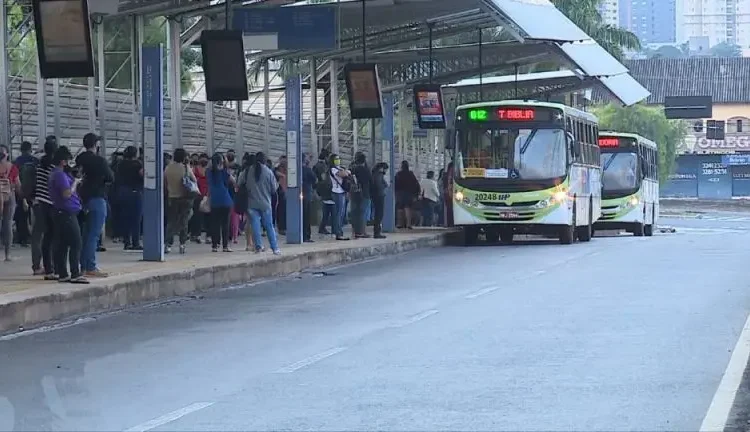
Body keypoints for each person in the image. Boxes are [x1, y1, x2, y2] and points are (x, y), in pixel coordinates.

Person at [75, 133, 113, 278]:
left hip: (82, 199)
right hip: (97, 197)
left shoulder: (79, 159)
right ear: (95, 145)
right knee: (93, 234)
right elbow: (111, 177)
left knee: (86, 234)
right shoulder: (99, 161)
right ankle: (90, 266)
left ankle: (83, 265)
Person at [48, 146, 88, 284]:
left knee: (63, 244)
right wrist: (75, 183)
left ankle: (63, 273)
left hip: (62, 212)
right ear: (63, 161)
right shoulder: (59, 175)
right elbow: (66, 194)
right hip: (66, 212)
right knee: (76, 242)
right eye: (68, 161)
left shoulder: (56, 173)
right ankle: (75, 273)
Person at [31, 136, 58, 278]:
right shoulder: (54, 167)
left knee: (37, 235)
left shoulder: (39, 165)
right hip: (51, 203)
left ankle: (36, 266)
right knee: (50, 236)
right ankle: (51, 265)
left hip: (38, 202)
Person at [244, 152, 280, 255]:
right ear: (265, 160)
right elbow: (274, 189)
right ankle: (275, 248)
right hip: (265, 203)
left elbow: (240, 183)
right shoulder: (268, 172)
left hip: (251, 203)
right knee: (269, 225)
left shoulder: (248, 170)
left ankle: (258, 247)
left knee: (255, 224)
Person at [164, 148, 196, 254]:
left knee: (171, 221)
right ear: (183, 157)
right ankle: (182, 245)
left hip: (172, 198)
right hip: (185, 198)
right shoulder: (186, 168)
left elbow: (165, 183)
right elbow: (194, 181)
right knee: (184, 221)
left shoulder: (168, 168)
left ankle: (168, 244)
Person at [116, 145, 144, 250]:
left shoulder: (120, 164)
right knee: (136, 218)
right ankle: (136, 242)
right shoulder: (137, 164)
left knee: (125, 217)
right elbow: (142, 175)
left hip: (122, 191)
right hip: (135, 192)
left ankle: (126, 242)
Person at [207, 152, 235, 252]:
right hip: (225, 200)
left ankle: (214, 246)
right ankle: (225, 246)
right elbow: (233, 181)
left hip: (214, 201)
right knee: (225, 224)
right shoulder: (225, 172)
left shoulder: (209, 172)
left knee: (215, 223)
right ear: (221, 162)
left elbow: (209, 186)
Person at [0, 144, 20, 261]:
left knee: (6, 224)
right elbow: (18, 185)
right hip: (9, 196)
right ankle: (8, 255)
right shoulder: (13, 167)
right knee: (7, 224)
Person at [14, 140, 36, 246]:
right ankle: (34, 237)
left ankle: (22, 238)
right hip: (33, 192)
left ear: (21, 150)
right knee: (34, 215)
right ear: (30, 149)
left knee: (21, 216)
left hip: (21, 191)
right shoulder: (35, 160)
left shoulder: (17, 161)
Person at [328, 153, 351, 241]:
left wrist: (346, 171)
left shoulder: (339, 168)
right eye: (336, 159)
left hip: (342, 192)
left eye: (339, 158)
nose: (338, 160)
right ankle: (338, 233)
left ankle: (336, 231)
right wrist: (347, 172)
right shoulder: (333, 169)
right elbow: (343, 174)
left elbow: (346, 172)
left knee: (340, 213)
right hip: (337, 192)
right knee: (339, 213)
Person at [350, 151, 372, 238]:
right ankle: (362, 232)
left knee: (354, 212)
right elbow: (370, 181)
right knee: (363, 213)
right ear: (364, 161)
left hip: (354, 193)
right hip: (365, 193)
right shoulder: (366, 170)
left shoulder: (352, 169)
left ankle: (354, 232)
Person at [395, 160, 420, 229]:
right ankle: (408, 224)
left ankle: (400, 224)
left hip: (400, 193)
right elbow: (416, 184)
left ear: (401, 166)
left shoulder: (399, 174)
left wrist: (395, 192)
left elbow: (395, 184)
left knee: (400, 209)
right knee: (407, 208)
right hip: (409, 194)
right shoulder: (411, 174)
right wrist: (416, 194)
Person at [301, 153, 317, 243]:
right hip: (306, 194)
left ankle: (300, 234)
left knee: (301, 216)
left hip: (297, 195)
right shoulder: (307, 169)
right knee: (306, 216)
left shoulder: (296, 169)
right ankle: (306, 236)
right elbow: (315, 179)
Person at [371, 162, 388, 239]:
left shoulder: (374, 173)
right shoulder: (379, 174)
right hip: (379, 196)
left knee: (377, 214)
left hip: (375, 196)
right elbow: (380, 185)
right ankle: (377, 232)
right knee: (379, 214)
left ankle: (377, 232)